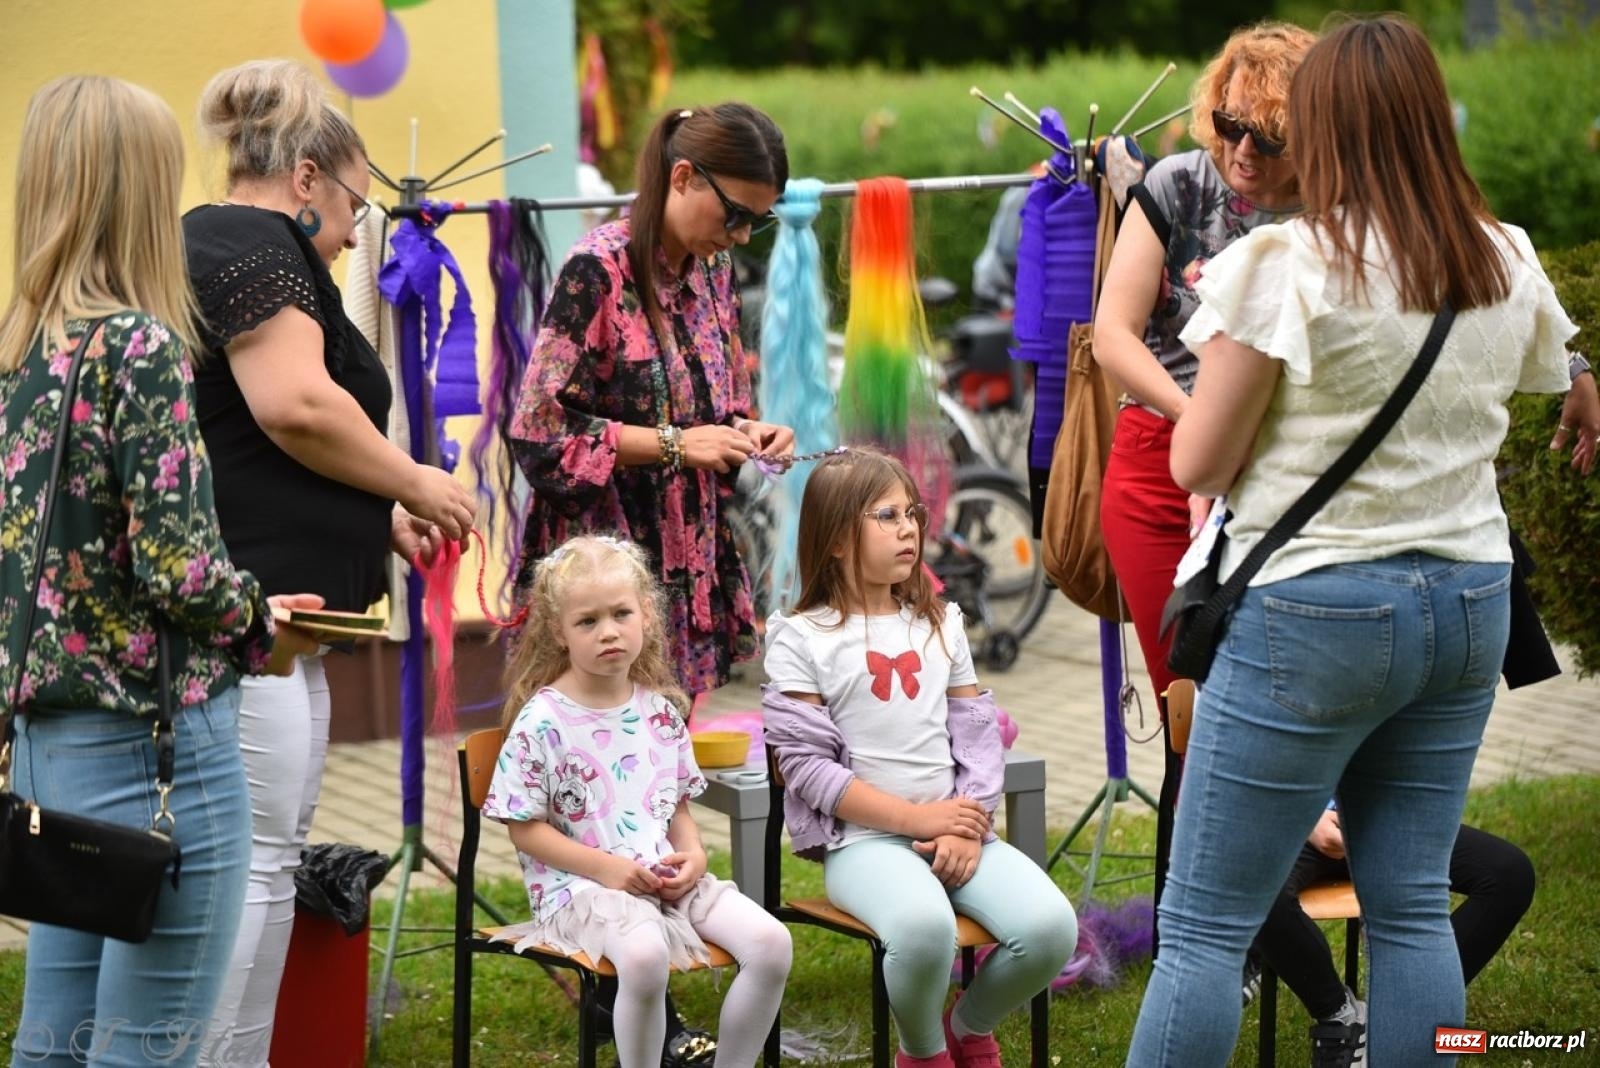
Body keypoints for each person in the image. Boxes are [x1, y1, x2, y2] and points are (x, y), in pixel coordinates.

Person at [1127, 16, 1578, 1067]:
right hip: (1468, 604)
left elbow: (1196, 463)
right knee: (1413, 906)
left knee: (1201, 929)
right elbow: (1560, 364)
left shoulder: (1284, 263)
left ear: (1326, 125)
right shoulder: (1500, 253)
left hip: (1314, 607)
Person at [0, 75, 319, 1067]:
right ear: (140, 189)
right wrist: (263, 622)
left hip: (48, 749)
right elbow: (181, 570)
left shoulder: (20, 352)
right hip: (156, 750)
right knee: (147, 1048)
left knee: (54, 1043)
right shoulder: (136, 345)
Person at [185, 60, 476, 1066]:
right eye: (356, 202)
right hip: (248, 629)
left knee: (266, 863)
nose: (360, 229)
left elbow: (267, 437)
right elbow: (294, 407)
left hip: (283, 628)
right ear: (307, 179)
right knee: (252, 870)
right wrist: (412, 483)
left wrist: (368, 516)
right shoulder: (250, 244)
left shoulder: (254, 248)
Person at [510, 101, 795, 1059]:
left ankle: (660, 1001)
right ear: (681, 178)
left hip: (683, 560)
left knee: (652, 769)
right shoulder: (596, 269)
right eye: (737, 213)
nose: (743, 236)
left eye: (760, 222)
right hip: (604, 571)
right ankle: (634, 1012)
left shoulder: (708, 271)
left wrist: (751, 430)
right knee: (590, 785)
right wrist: (674, 444)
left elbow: (711, 400)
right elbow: (536, 432)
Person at [1091, 22, 1318, 945]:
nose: (1240, 152)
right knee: (1195, 701)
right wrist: (1201, 428)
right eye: (1228, 126)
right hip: (1158, 470)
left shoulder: (1334, 211)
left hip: (1283, 480)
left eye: (1268, 137)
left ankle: (1239, 931)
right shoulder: (1177, 185)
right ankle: (1200, 934)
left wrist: (1573, 363)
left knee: (1265, 708)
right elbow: (1113, 334)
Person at [763, 449, 1077, 1068]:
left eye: (911, 512)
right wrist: (919, 822)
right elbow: (808, 771)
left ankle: (968, 1024)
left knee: (1049, 930)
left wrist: (971, 819)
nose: (908, 528)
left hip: (957, 829)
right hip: (866, 845)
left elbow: (978, 736)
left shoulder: (941, 623)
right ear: (832, 538)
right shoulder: (800, 639)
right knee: (923, 930)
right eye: (886, 515)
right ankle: (924, 1051)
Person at [484, 535, 792, 1068]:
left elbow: (677, 811)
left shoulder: (661, 712)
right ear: (559, 632)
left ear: (646, 615)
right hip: (580, 889)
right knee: (645, 956)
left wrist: (693, 857)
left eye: (620, 613)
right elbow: (524, 828)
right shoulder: (544, 721)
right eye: (587, 621)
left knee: (771, 943)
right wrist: (607, 869)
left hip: (664, 879)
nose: (608, 631)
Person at [1246, 812, 1534, 1067]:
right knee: (1255, 888)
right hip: (1295, 821)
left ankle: (1399, 1011)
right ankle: (1340, 1018)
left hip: (1387, 818)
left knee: (1510, 874)